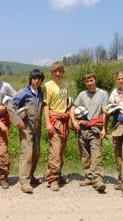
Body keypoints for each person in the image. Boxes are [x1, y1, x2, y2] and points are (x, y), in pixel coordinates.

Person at [70, 72, 109, 192]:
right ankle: (88, 177)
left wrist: (104, 129)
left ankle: (98, 180)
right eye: (87, 81)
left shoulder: (103, 94)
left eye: (91, 80)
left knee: (96, 156)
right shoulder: (82, 94)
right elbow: (72, 108)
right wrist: (74, 121)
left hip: (95, 130)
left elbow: (104, 112)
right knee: (85, 156)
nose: (89, 83)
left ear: (95, 80)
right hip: (83, 130)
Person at [12, 69, 45, 193]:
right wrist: (18, 121)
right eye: (34, 78)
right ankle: (24, 182)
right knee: (27, 153)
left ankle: (31, 176)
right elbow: (11, 106)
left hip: (37, 128)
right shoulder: (23, 92)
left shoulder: (40, 92)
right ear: (30, 79)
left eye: (39, 79)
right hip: (26, 128)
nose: (36, 81)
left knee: (36, 152)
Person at [43, 61, 70, 191]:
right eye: (55, 71)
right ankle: (53, 179)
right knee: (55, 150)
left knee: (61, 151)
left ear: (63, 72)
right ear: (52, 72)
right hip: (54, 121)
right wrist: (48, 122)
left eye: (60, 71)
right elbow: (46, 105)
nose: (58, 73)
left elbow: (67, 103)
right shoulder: (48, 85)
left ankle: (56, 173)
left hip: (64, 120)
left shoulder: (65, 85)